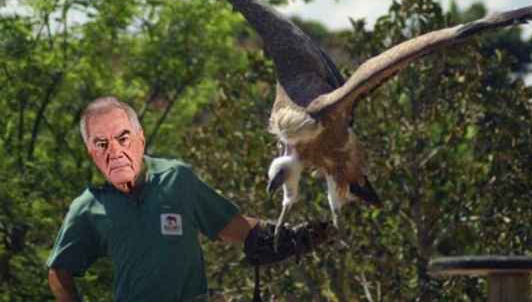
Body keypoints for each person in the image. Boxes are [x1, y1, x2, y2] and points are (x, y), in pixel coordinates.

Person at [47, 96, 333, 301]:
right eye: (101, 144)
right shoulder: (88, 206)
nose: (116, 150)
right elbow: (59, 271)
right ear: (92, 153)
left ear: (140, 138)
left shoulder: (177, 179)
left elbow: (229, 226)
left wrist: (278, 236)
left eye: (123, 138)